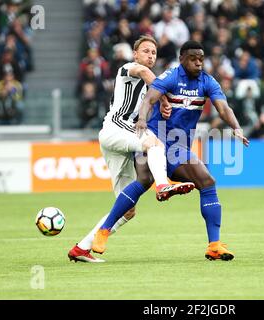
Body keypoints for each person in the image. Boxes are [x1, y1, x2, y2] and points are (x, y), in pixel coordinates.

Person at [91, 40, 249, 261]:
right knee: (144, 181)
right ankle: (103, 231)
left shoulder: (208, 82)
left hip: (179, 147)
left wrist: (236, 128)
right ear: (182, 59)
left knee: (207, 182)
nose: (198, 63)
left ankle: (214, 245)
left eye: (201, 59)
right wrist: (143, 120)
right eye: (193, 59)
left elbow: (223, 107)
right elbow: (149, 98)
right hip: (153, 137)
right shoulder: (170, 77)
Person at [68, 35, 195, 263]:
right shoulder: (128, 69)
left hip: (122, 142)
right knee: (153, 143)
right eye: (146, 51)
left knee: (127, 209)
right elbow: (146, 74)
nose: (150, 56)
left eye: (154, 53)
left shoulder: (150, 91)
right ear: (135, 54)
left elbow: (149, 111)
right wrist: (165, 99)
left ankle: (81, 248)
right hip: (115, 130)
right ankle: (163, 184)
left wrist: (163, 109)